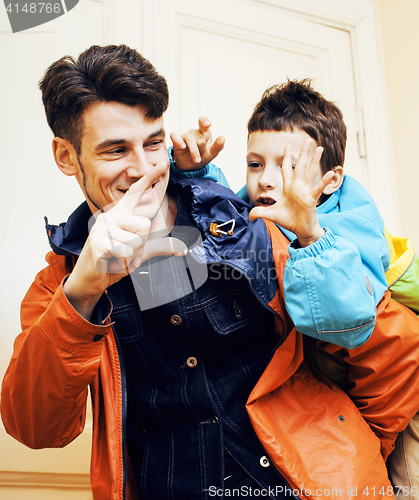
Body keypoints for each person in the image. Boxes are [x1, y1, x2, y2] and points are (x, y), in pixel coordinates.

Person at [0, 46, 397, 500]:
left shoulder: (250, 224)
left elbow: (389, 347)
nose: (144, 169)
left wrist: (357, 458)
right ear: (66, 156)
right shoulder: (60, 284)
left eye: (153, 143)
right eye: (115, 150)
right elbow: (35, 428)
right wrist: (83, 291)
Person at [170, 79, 419, 497]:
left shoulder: (354, 226)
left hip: (398, 389)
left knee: (405, 482)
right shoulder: (262, 208)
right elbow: (225, 219)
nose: (266, 180)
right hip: (327, 381)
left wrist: (308, 231)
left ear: (331, 180)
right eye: (254, 164)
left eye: (287, 167)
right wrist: (197, 172)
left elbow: (347, 322)